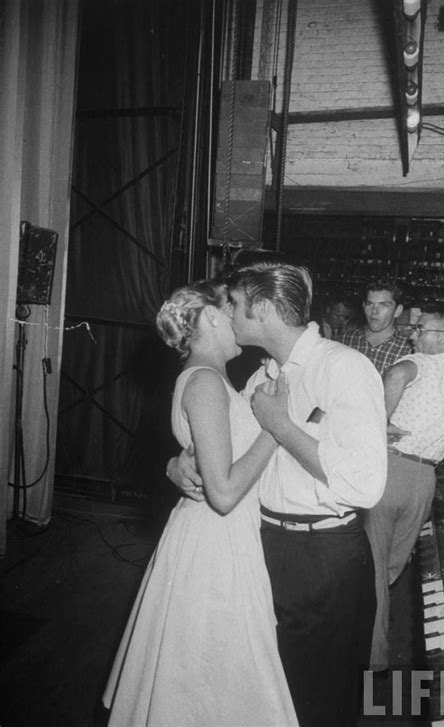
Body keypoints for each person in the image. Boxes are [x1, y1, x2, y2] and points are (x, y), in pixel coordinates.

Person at [168, 262, 387, 727]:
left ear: (263, 309)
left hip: (325, 557)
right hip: (263, 546)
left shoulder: (344, 368)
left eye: (236, 304)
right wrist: (176, 464)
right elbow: (225, 455)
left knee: (325, 703)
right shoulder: (259, 375)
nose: (227, 311)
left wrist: (281, 425)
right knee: (271, 699)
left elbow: (366, 484)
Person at [103, 279, 298, 726]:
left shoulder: (208, 378)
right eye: (232, 308)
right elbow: (225, 493)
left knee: (209, 675)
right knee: (215, 676)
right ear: (212, 316)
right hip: (216, 541)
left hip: (217, 537)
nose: (239, 319)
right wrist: (275, 428)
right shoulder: (206, 381)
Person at [365, 306, 444, 670]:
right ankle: (375, 630)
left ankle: (372, 656)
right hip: (423, 483)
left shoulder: (417, 363)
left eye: (421, 329)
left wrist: (376, 421)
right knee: (391, 568)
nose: (413, 334)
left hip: (389, 469)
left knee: (373, 565)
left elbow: (396, 373)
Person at [341, 278, 412, 374]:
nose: (374, 311)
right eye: (370, 304)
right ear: (363, 306)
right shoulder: (346, 340)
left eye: (383, 305)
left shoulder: (407, 350)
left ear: (397, 311)